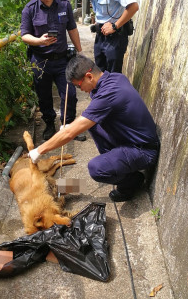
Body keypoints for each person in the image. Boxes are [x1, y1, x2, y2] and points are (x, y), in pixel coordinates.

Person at [28, 55, 160, 202]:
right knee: (93, 124)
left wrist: (39, 151)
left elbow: (70, 133)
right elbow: (86, 118)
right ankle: (119, 163)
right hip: (133, 140)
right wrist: (72, 126)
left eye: (79, 86)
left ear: (89, 76)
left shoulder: (107, 95)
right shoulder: (115, 78)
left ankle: (132, 180)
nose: (80, 90)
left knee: (96, 168)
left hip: (144, 151)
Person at [21, 0, 86, 141]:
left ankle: (69, 125)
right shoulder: (30, 10)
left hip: (62, 60)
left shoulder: (64, 5)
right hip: (40, 61)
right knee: (44, 96)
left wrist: (80, 53)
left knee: (70, 94)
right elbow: (24, 35)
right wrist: (38, 41)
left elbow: (72, 28)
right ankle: (49, 123)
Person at [72, 0, 139, 73]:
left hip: (115, 36)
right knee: (99, 73)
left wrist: (115, 26)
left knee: (113, 76)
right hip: (101, 35)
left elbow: (133, 6)